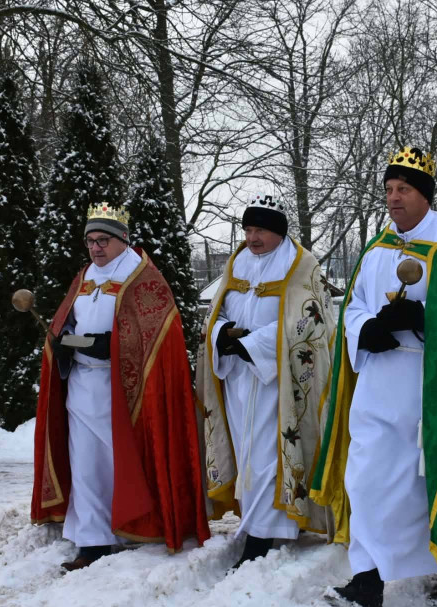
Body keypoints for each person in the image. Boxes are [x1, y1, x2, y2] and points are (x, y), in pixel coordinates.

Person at [310, 145, 437, 607]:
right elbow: (354, 304)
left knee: (430, 479)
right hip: (377, 381)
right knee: (365, 477)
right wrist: (368, 329)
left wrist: (422, 315)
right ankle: (367, 579)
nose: (393, 197)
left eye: (403, 189)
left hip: (433, 388)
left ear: (425, 194)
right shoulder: (377, 247)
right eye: (388, 189)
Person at [32, 203, 210, 571]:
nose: (96, 248)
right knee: (86, 465)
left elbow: (158, 337)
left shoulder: (142, 277)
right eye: (90, 241)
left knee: (125, 464)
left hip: (126, 393)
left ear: (123, 240)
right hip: (82, 386)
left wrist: (113, 346)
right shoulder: (84, 277)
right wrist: (61, 341)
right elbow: (66, 321)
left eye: (103, 240)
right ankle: (93, 542)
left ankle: (138, 527)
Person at [197, 194, 336, 571]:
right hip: (237, 378)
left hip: (279, 382)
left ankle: (260, 537)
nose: (252, 237)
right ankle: (258, 522)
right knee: (247, 455)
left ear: (278, 232)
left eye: (260, 230)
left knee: (267, 456)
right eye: (247, 229)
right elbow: (217, 310)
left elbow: (309, 322)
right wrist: (222, 335)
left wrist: (254, 344)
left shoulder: (301, 264)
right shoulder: (237, 261)